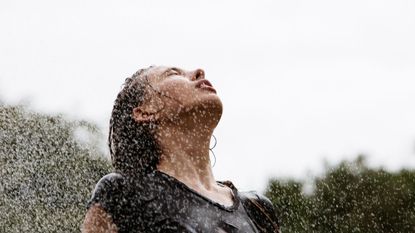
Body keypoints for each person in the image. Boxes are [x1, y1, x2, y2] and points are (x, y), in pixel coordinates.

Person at [82, 66, 280, 233]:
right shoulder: (123, 192)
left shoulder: (257, 208)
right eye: (173, 74)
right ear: (144, 112)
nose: (198, 72)